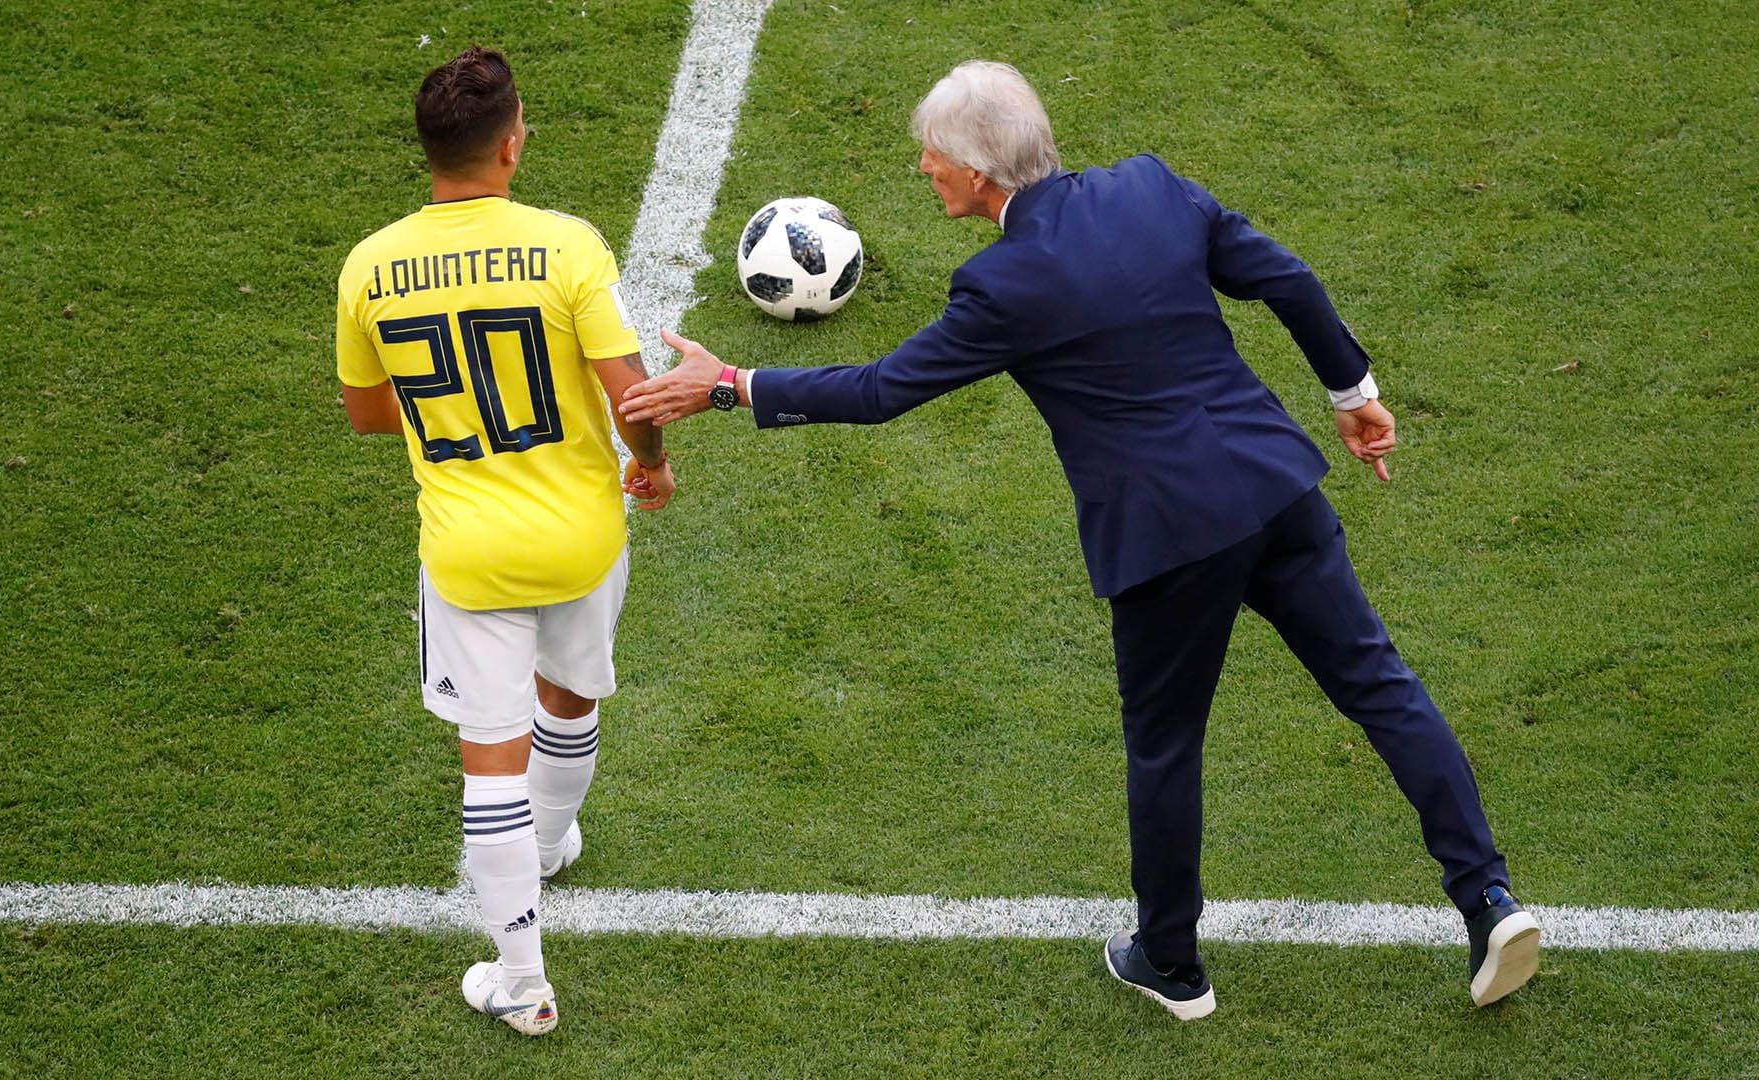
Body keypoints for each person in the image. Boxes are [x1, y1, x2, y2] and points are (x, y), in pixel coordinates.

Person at [619, 59, 1538, 1020]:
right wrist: (1354, 396)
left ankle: (1172, 964)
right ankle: (1489, 899)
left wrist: (730, 385)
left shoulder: (1004, 281)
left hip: (1168, 538)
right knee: (1380, 687)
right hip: (1275, 485)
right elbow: (1287, 279)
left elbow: (884, 391)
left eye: (934, 152)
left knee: (1167, 746)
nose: (923, 165)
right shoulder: (1151, 187)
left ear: (979, 174)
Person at [336, 45, 674, 1037]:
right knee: (568, 696)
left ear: (428, 150)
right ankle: (555, 836)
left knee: (492, 754)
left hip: (469, 551)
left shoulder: (370, 264)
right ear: (512, 144)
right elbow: (636, 398)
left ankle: (522, 979)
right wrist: (650, 463)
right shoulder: (567, 247)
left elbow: (366, 414)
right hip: (581, 533)